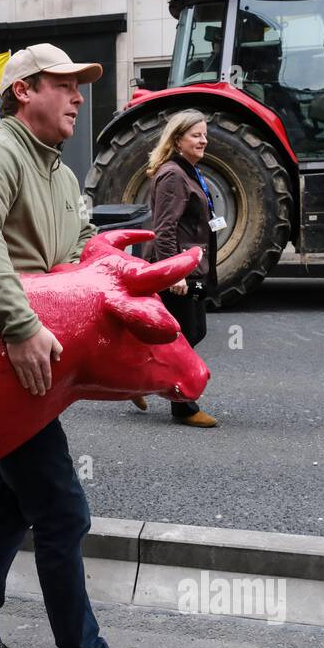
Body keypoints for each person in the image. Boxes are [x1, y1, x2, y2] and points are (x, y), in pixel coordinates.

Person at [0, 42, 173, 648]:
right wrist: (15, 324)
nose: (77, 96)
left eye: (79, 86)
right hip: (2, 366)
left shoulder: (60, 175)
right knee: (63, 512)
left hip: (38, 369)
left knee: (8, 508)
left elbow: (76, 268)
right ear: (23, 91)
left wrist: (115, 356)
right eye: (64, 85)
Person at [135, 109, 219, 427]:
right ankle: (183, 407)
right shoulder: (173, 174)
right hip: (179, 270)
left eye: (204, 135)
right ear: (178, 139)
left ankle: (139, 380)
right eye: (196, 135)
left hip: (190, 267)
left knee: (190, 333)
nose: (203, 140)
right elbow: (165, 229)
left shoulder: (188, 171)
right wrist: (176, 273)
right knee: (186, 335)